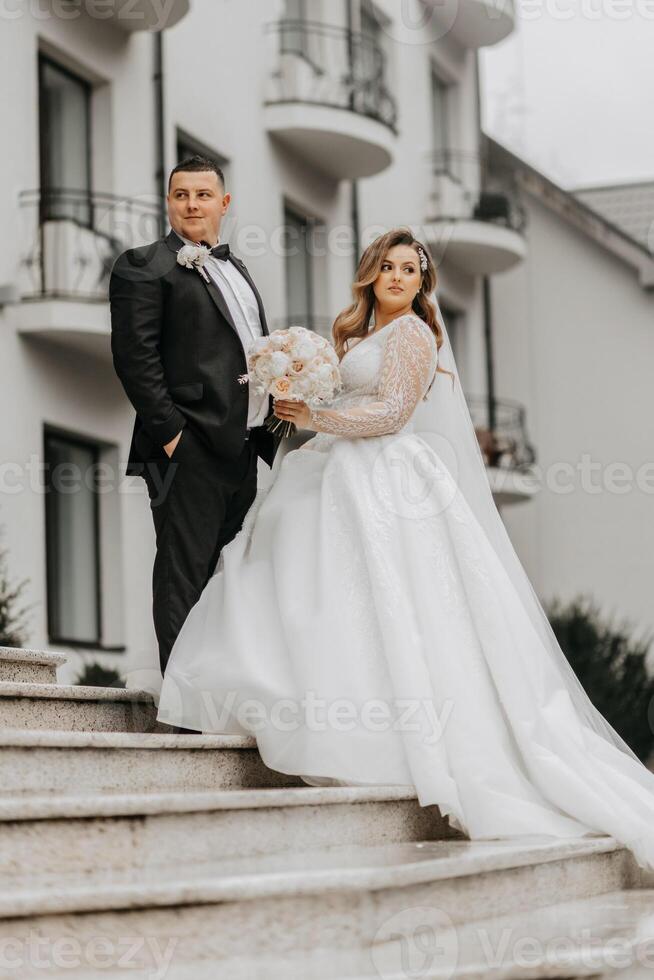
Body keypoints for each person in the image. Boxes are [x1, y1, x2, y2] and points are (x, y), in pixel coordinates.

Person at [157, 227, 654, 871]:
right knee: (299, 585)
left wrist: (315, 418)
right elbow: (347, 400)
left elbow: (391, 414)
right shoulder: (353, 334)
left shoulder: (417, 335)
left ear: (422, 284)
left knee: (390, 605)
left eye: (409, 270)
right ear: (370, 274)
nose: (397, 277)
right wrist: (299, 393)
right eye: (387, 267)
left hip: (386, 477)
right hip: (331, 468)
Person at [109, 156, 280, 732]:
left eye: (203, 194)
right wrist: (174, 436)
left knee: (226, 578)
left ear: (223, 204)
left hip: (243, 449)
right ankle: (183, 713)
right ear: (168, 202)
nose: (191, 204)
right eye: (180, 194)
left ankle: (217, 698)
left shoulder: (239, 270)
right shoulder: (143, 267)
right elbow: (136, 359)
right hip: (185, 450)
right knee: (183, 574)